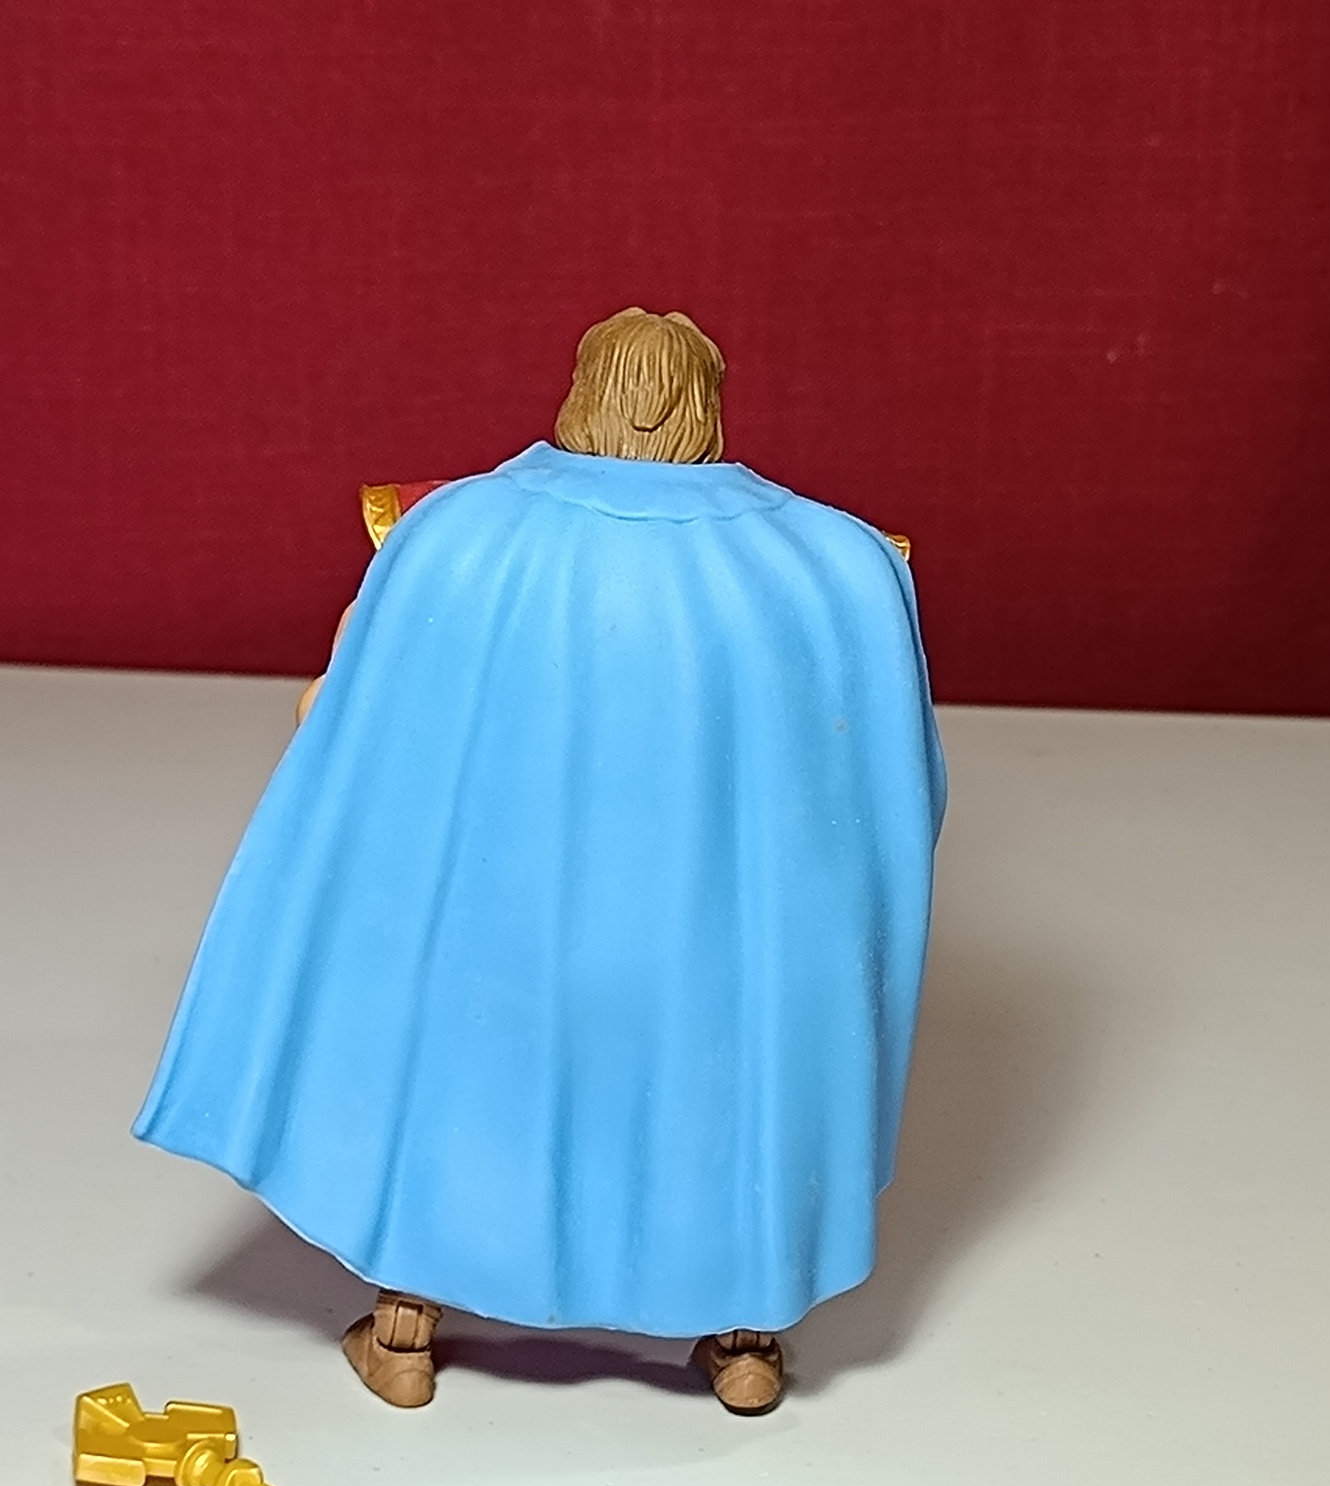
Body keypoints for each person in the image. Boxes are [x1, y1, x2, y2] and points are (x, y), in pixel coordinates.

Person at [133, 309, 944, 1414]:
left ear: (581, 395)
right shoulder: (834, 564)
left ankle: (407, 1329)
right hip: (722, 943)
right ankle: (745, 1340)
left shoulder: (453, 534)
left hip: (502, 929)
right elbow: (898, 783)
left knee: (455, 1090)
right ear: (705, 410)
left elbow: (344, 718)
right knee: (722, 1104)